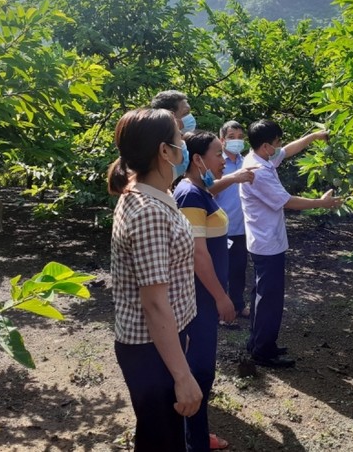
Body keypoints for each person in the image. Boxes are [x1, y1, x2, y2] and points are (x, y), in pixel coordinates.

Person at [108, 108, 202, 451]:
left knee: (158, 437)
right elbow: (154, 303)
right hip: (152, 349)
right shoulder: (147, 212)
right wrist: (182, 376)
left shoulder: (152, 195)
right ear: (165, 151)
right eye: (180, 139)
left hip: (163, 342)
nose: (184, 146)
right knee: (163, 441)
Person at [240, 120, 342, 368]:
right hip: (267, 242)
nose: (279, 147)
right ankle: (264, 351)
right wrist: (321, 203)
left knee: (261, 294)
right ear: (265, 146)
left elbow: (288, 151)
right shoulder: (260, 172)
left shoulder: (257, 158)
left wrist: (314, 137)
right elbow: (287, 201)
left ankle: (257, 342)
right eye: (276, 143)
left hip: (262, 240)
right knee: (270, 299)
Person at [172, 130, 235, 452]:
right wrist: (222, 297)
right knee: (199, 370)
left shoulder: (201, 190)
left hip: (205, 299)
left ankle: (196, 435)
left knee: (203, 370)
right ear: (198, 159)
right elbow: (198, 256)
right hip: (199, 300)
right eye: (218, 154)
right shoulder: (190, 195)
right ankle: (193, 440)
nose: (223, 160)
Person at [213, 120, 252, 319]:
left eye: (239, 137)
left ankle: (238, 305)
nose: (236, 141)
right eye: (231, 137)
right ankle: (220, 310)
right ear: (222, 140)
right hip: (219, 228)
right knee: (220, 272)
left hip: (240, 227)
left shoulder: (247, 162)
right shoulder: (217, 163)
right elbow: (209, 189)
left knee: (238, 269)